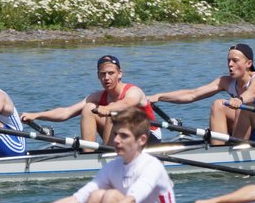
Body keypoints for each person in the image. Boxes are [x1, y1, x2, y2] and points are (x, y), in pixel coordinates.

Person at [14, 109, 179, 203]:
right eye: (115, 134)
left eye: (123, 136)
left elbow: (131, 202)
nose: (115, 140)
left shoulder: (152, 166)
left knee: (111, 196)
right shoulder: (112, 167)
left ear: (142, 139)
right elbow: (76, 201)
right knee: (95, 196)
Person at [148, 43, 255, 145]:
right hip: (252, 131)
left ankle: (236, 148)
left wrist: (240, 99)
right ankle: (218, 150)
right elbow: (192, 94)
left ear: (248, 63)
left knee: (246, 105)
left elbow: (253, 92)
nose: (230, 64)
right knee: (218, 104)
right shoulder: (226, 82)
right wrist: (159, 96)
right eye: (228, 60)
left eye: (235, 60)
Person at [21, 54, 161, 146]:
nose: (107, 78)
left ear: (120, 74)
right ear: (98, 76)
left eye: (111, 73)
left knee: (114, 110)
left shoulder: (133, 91)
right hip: (123, 138)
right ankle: (89, 154)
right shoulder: (97, 96)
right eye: (103, 74)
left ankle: (106, 153)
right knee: (88, 107)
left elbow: (125, 104)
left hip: (148, 137)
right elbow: (66, 112)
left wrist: (108, 108)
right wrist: (37, 115)